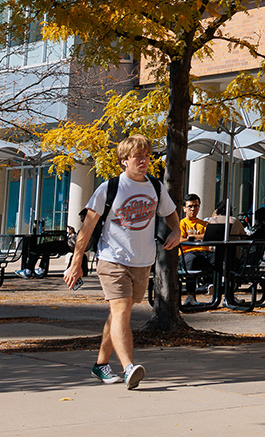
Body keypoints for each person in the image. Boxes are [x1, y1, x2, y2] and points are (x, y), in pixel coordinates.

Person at [64, 135, 182, 389]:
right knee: (121, 310)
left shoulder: (155, 186)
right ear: (123, 161)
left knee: (120, 313)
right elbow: (86, 229)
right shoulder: (109, 188)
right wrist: (76, 262)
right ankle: (129, 368)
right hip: (112, 259)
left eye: (147, 156)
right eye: (138, 157)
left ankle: (100, 365)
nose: (144, 161)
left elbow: (170, 212)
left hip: (142, 261)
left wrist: (176, 230)